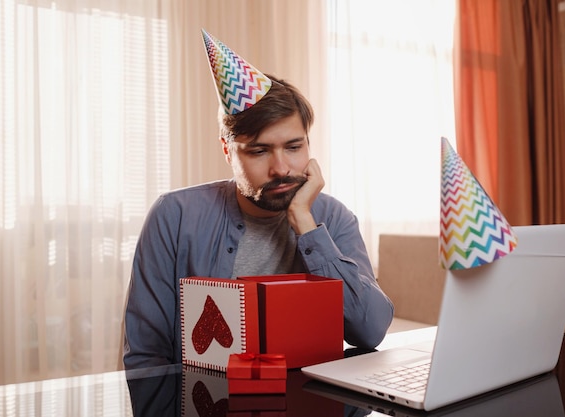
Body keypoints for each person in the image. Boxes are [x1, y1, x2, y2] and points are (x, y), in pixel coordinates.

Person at [123, 30, 394, 369]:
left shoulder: (333, 218)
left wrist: (306, 226)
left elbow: (370, 331)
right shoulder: (174, 215)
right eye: (259, 151)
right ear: (227, 151)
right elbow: (146, 356)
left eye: (294, 147)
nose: (281, 168)